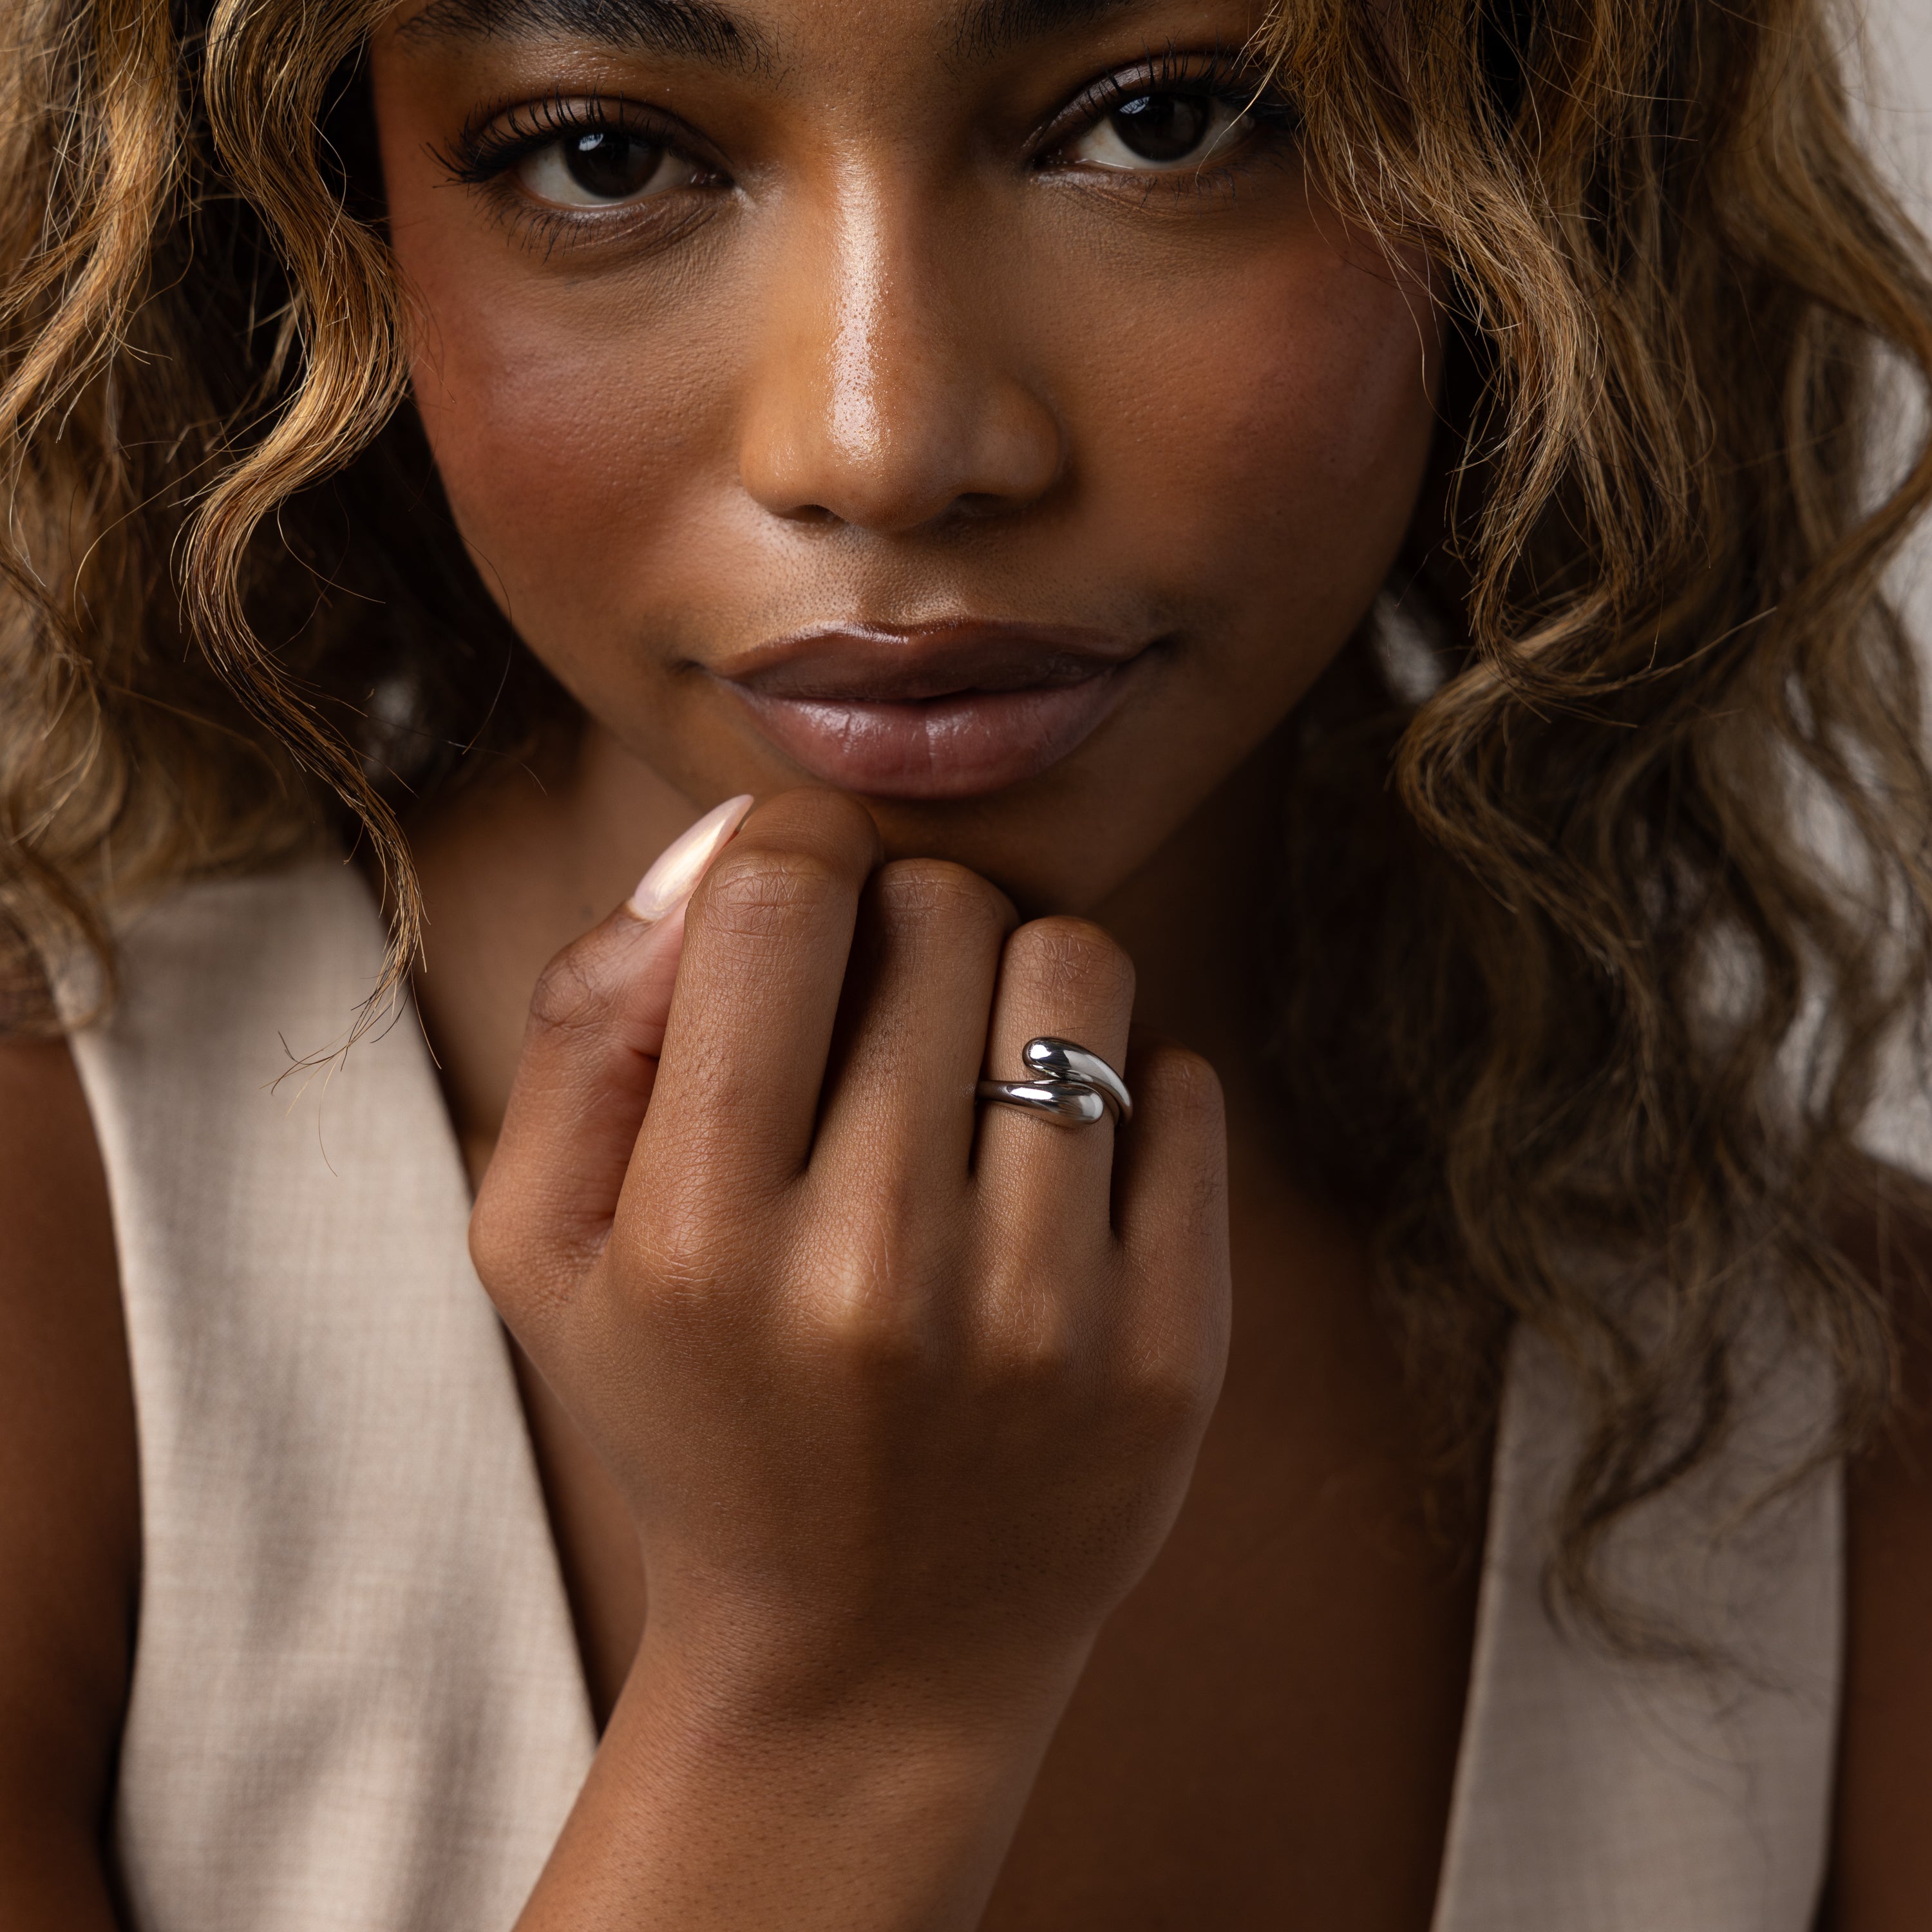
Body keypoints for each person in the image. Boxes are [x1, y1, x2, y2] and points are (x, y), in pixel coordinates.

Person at [3, 0, 1931, 1925]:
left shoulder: (1844, 1423)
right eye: (604, 155)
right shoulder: (58, 1288)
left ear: (1543, 178)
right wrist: (828, 1698)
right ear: (317, 221)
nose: (883, 443)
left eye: (1166, 122)